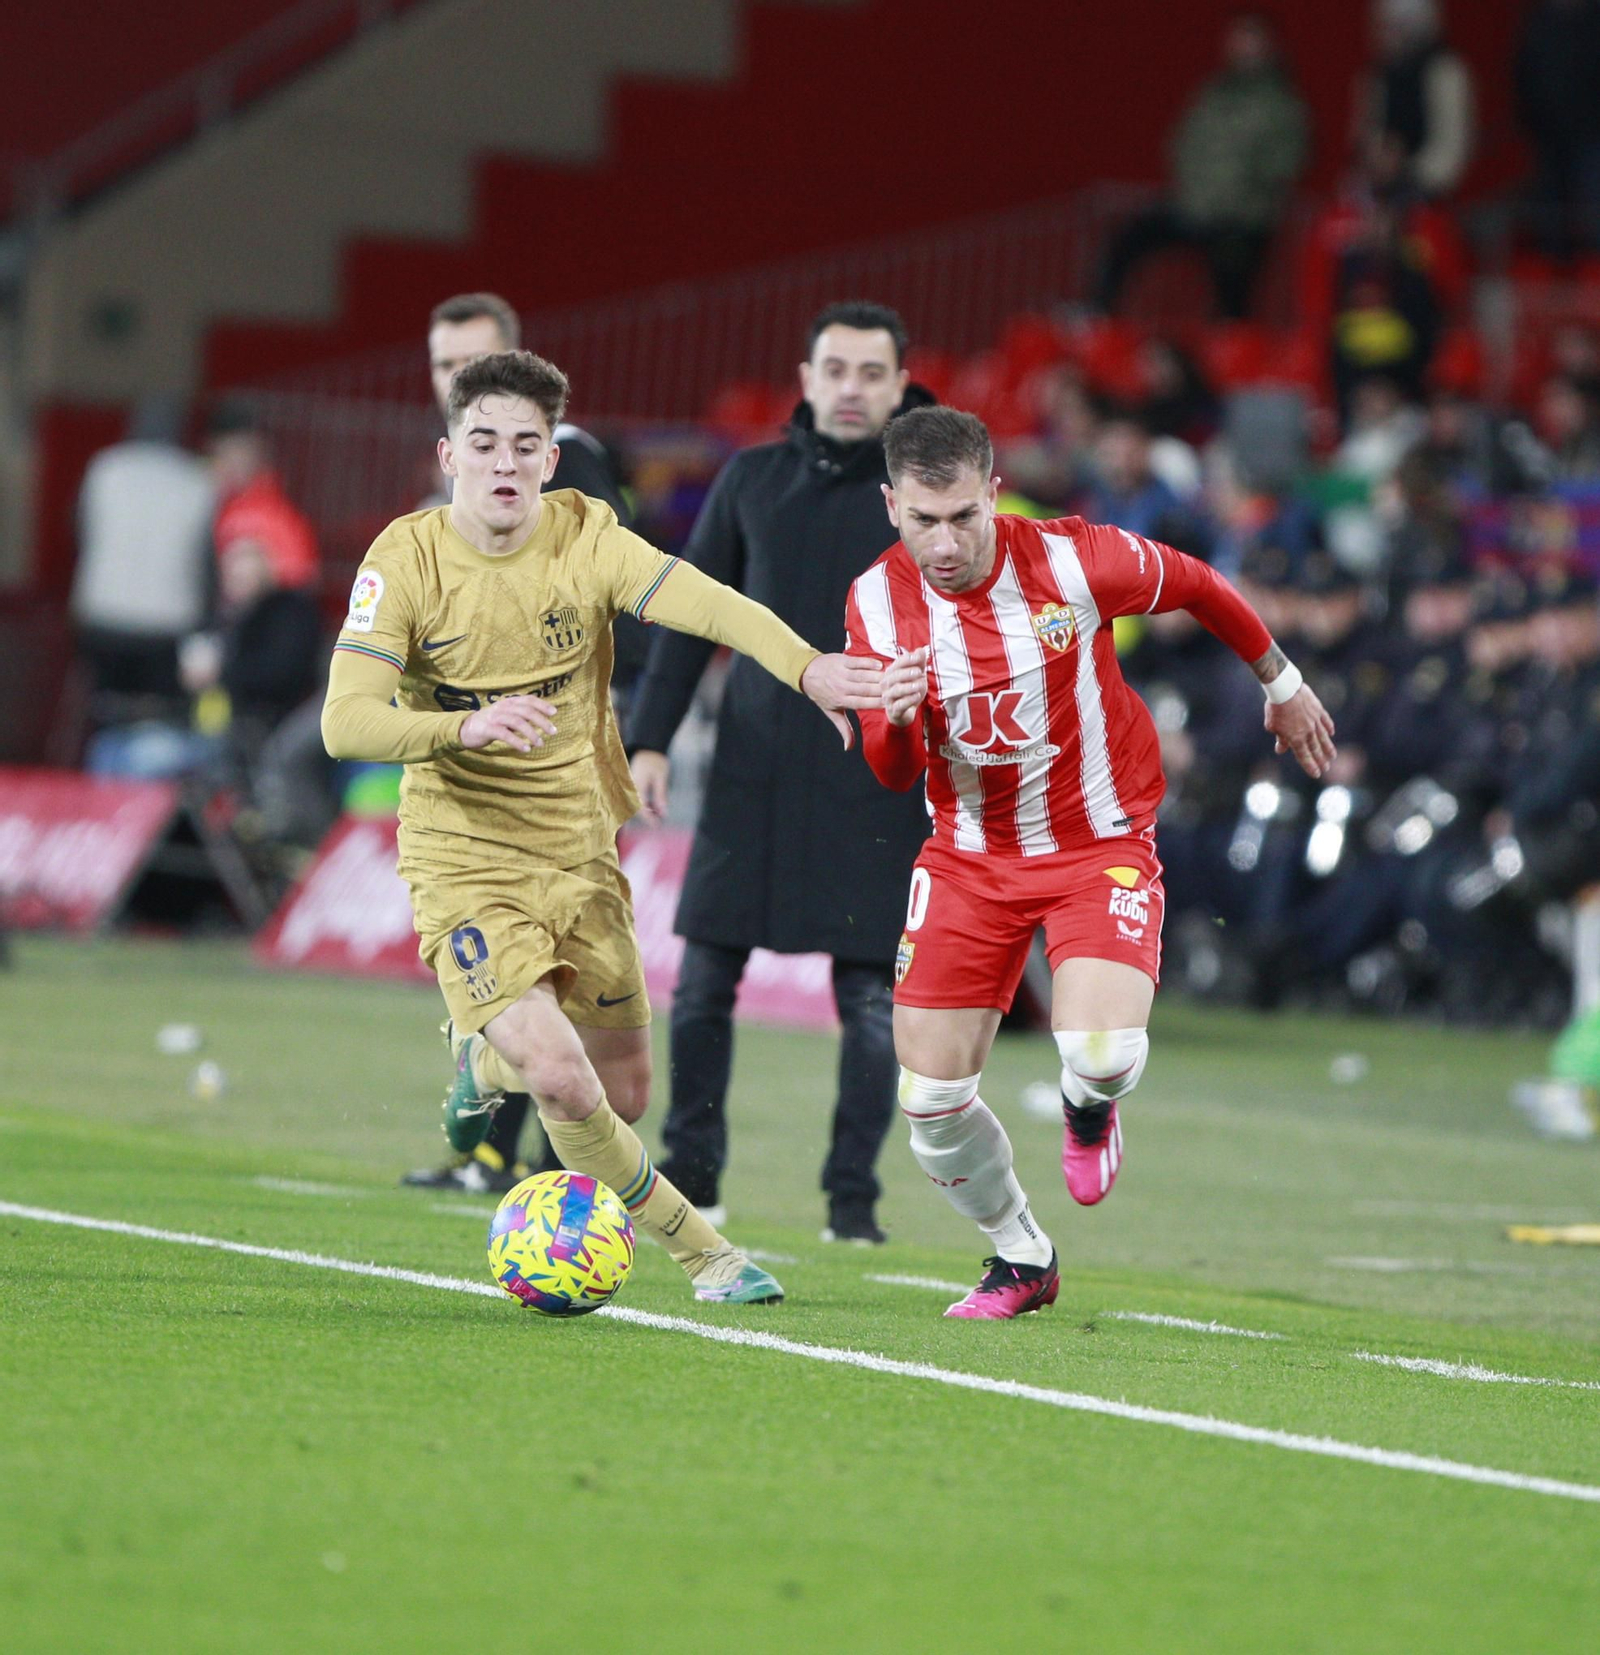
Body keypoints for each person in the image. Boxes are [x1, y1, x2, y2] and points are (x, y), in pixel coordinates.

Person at [321, 349, 883, 1304]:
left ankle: (481, 1056)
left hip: (580, 851)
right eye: (484, 441)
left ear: (550, 460)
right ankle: (706, 1252)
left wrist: (809, 668)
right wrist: (465, 725)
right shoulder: (404, 560)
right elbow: (345, 722)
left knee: (621, 1092)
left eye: (525, 446)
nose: (504, 462)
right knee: (565, 1077)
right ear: (448, 455)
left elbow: (710, 603)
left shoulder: (589, 537)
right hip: (462, 856)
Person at [843, 407, 1334, 1318]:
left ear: (994, 493)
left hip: (1094, 842)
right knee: (932, 1104)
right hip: (966, 859)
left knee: (1102, 1052)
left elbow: (1197, 583)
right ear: (890, 507)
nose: (944, 542)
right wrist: (900, 717)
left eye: (962, 516)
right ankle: (1021, 1256)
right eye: (922, 520)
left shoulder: (1074, 558)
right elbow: (887, 770)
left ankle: (1087, 1106)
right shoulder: (874, 603)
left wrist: (1283, 683)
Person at [626, 301, 934, 1243]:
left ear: (899, 384)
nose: (851, 387)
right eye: (834, 369)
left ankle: (852, 1202)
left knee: (873, 1002)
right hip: (751, 774)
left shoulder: (926, 494)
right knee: (705, 983)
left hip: (879, 777)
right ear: (804, 379)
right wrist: (648, 738)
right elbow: (686, 611)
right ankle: (693, 1174)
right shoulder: (751, 478)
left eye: (870, 372)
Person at [406, 291, 645, 1194]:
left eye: (471, 359)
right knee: (516, 963)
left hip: (564, 763)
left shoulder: (566, 461)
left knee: (559, 964)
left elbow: (625, 591)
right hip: (490, 767)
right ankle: (511, 1159)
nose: (454, 378)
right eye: (441, 363)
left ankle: (543, 1165)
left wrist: (632, 735)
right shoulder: (464, 467)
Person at [1095, 11, 1308, 320]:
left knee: (1232, 285)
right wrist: (1193, 191)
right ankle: (1096, 317)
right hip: (1192, 207)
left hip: (1243, 220)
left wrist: (1242, 194)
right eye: (1237, 39)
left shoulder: (1283, 105)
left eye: (1252, 39)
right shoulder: (1212, 95)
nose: (1242, 47)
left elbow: (1286, 164)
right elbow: (1182, 142)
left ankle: (1230, 350)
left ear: (1270, 46)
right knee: (1129, 239)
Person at [71, 399, 214, 722]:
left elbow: (79, 532)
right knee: (156, 714)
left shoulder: (104, 469)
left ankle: (97, 762)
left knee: (102, 707)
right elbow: (206, 562)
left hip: (101, 615)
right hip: (168, 624)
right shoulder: (196, 481)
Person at [1354, 0, 1474, 200]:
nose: (1381, 36)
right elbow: (1368, 134)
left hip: (1434, 198)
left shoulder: (1445, 73)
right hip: (1380, 195)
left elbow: (1452, 149)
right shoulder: (1377, 76)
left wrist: (1407, 175)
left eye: (1391, 27)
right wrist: (1376, 160)